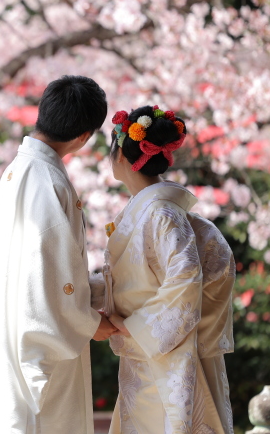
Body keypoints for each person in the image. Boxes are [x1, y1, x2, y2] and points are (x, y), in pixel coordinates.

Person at [0, 75, 118, 434]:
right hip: (34, 346)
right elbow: (46, 273)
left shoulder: (20, 170)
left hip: (11, 328)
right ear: (83, 136)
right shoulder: (46, 178)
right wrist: (90, 323)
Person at [104, 106, 235, 434]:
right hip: (151, 354)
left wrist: (134, 327)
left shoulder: (161, 214)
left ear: (120, 154)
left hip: (167, 360)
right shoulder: (156, 211)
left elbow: (186, 278)